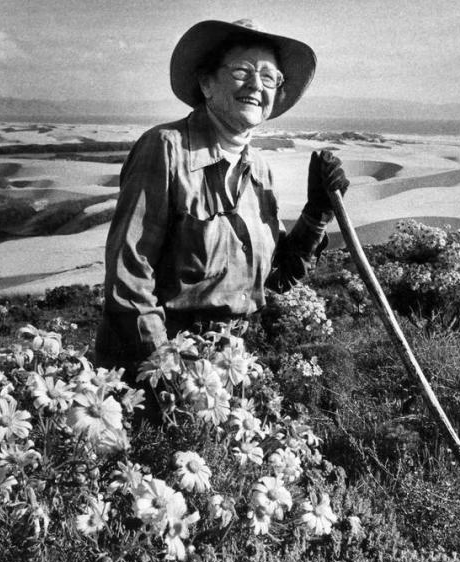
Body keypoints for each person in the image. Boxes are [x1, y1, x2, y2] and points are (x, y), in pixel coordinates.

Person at [95, 18, 349, 380]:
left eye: (269, 77)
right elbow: (129, 281)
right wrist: (169, 371)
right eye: (242, 71)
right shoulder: (166, 149)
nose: (256, 86)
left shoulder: (260, 171)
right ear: (207, 82)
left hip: (226, 373)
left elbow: (275, 278)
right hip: (149, 373)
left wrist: (317, 212)